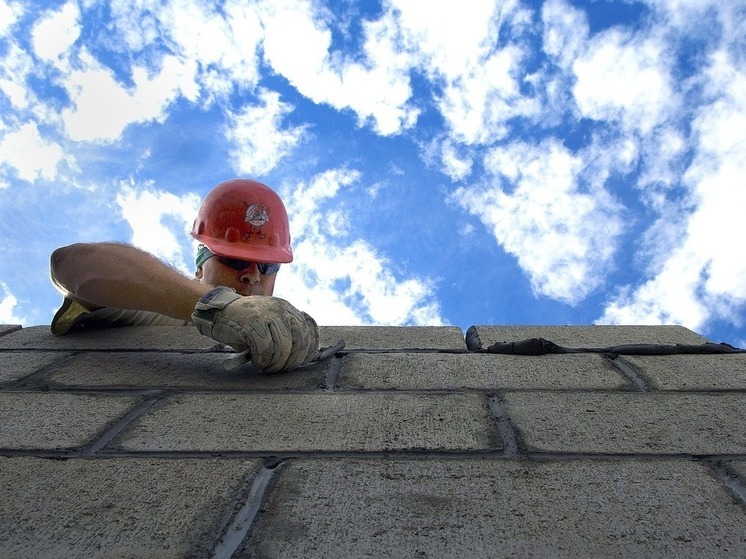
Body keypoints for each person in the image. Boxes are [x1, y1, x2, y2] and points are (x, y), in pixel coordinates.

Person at [50, 178, 319, 373]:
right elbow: (69, 263)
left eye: (267, 266)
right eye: (233, 260)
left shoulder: (285, 339)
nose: (252, 276)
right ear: (201, 266)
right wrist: (218, 305)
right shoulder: (153, 309)